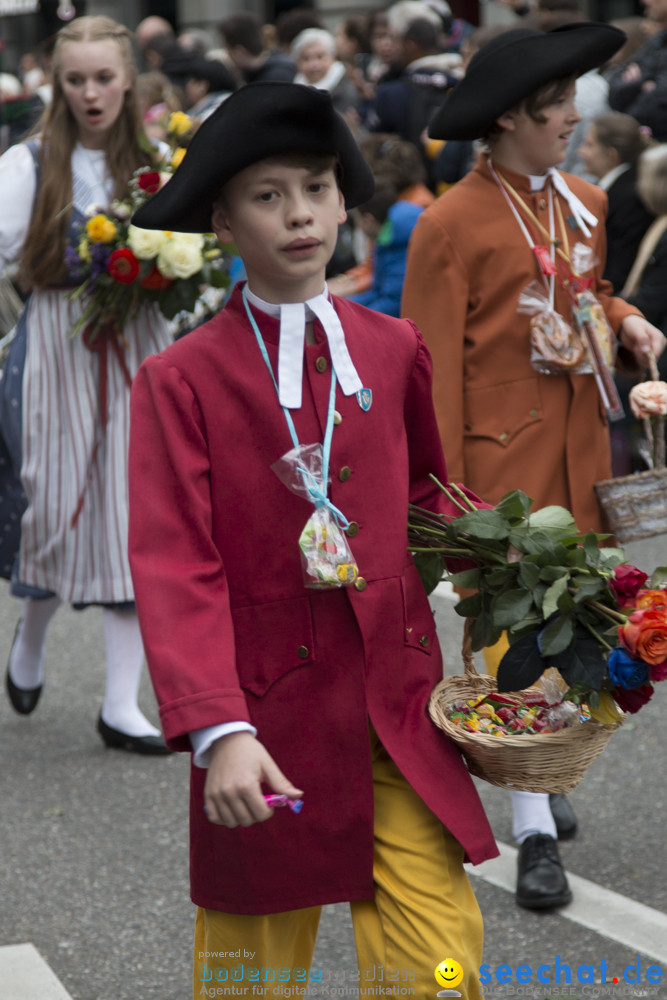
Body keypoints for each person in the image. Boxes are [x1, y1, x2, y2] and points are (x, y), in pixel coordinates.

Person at [127, 81, 498, 999]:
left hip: (394, 709)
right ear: (221, 219)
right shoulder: (181, 381)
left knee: (440, 966)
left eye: (317, 187)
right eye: (267, 195)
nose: (300, 213)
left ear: (343, 197)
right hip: (269, 723)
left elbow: (424, 495)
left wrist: (537, 579)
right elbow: (177, 561)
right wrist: (220, 728)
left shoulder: (391, 346)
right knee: (247, 978)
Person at [401, 22, 667, 911]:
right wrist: (443, 497)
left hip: (582, 452)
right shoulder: (447, 224)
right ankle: (533, 830)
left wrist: (625, 317)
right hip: (495, 473)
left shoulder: (583, 198)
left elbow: (580, 296)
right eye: (556, 106)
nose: (571, 118)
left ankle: (540, 778)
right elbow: (425, 366)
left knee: (579, 626)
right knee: (511, 641)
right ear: (511, 117)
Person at [0, 15, 172, 753]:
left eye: (103, 77)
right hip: (55, 341)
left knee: (135, 510)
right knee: (50, 502)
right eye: (76, 80)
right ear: (57, 85)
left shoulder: (159, 158)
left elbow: (194, 250)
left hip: (138, 342)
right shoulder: (29, 163)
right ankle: (30, 638)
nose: (91, 93)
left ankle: (119, 703)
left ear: (128, 77)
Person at [577, 111, 655, 293]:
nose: (580, 151)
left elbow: (618, 269)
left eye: (589, 145)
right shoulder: (616, 187)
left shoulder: (629, 201)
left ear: (611, 155)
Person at [349, 178, 424, 317]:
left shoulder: (400, 241)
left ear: (369, 220)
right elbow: (378, 291)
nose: (358, 225)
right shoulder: (385, 237)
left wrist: (353, 318)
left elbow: (395, 302)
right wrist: (338, 307)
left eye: (358, 220)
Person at [609, 0, 667, 142]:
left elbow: (658, 106)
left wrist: (626, 121)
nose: (645, 1)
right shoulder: (658, 41)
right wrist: (642, 83)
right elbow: (614, 86)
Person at [291, 27, 359, 114]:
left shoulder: (346, 92)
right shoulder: (293, 90)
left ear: (333, 57)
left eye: (320, 57)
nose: (313, 65)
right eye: (306, 58)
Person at [219, 12, 296, 85]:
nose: (227, 55)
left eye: (228, 50)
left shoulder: (274, 78)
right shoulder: (282, 66)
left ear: (239, 51)